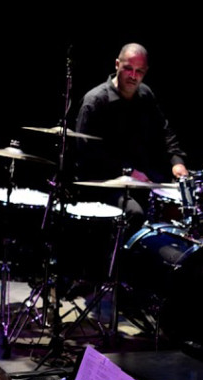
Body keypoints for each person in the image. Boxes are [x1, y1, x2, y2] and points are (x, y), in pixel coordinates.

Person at [75, 42, 189, 236]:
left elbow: (164, 130)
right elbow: (88, 153)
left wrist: (176, 162)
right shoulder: (94, 101)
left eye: (140, 71)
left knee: (185, 202)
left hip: (137, 178)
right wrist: (128, 172)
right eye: (128, 68)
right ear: (117, 64)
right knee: (134, 213)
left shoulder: (145, 95)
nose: (133, 76)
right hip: (101, 182)